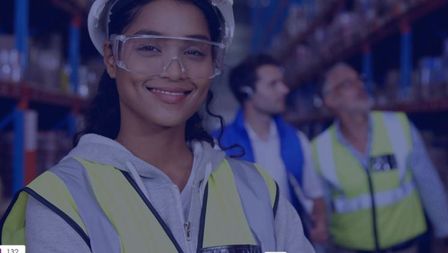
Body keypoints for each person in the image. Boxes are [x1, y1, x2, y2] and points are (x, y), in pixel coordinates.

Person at [0, 1, 316, 252]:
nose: (175, 71)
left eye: (194, 52)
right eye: (150, 48)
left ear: (214, 64)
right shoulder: (61, 200)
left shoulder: (258, 191)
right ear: (112, 57)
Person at [311, 63, 448, 253]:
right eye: (348, 84)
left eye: (360, 80)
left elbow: (429, 184)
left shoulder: (399, 127)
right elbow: (321, 215)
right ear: (330, 100)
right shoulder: (319, 149)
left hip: (405, 249)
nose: (360, 87)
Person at [213, 54, 328, 244]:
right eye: (273, 84)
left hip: (289, 242)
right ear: (247, 92)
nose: (284, 89)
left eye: (282, 82)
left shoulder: (296, 140)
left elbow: (315, 194)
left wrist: (320, 224)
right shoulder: (219, 144)